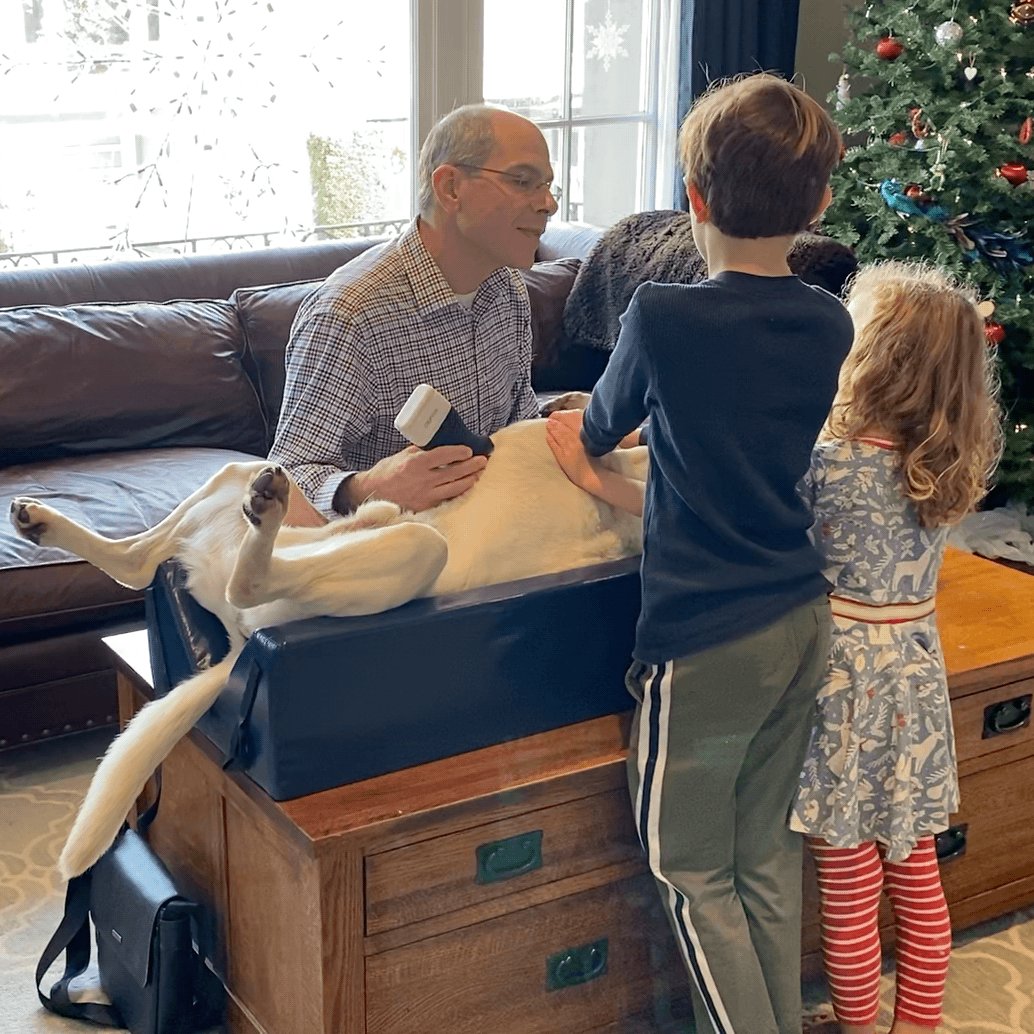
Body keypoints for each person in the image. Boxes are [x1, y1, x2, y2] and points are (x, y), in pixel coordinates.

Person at [546, 72, 852, 1034]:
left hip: (705, 637)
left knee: (685, 867)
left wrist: (583, 445)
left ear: (695, 198)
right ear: (820, 203)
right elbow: (741, 427)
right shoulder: (829, 320)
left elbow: (599, 427)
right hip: (802, 617)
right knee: (761, 857)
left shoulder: (662, 318)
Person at [790, 262, 1002, 1034]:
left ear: (871, 351)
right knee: (916, 873)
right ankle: (917, 1025)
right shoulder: (951, 460)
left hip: (845, 685)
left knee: (845, 883)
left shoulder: (834, 458)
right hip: (913, 676)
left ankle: (855, 1026)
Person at [270, 103, 559, 526]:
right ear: (450, 188)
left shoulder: (508, 287)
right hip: (385, 559)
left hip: (489, 537)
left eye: (549, 186)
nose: (548, 204)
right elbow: (286, 479)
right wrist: (367, 488)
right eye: (523, 181)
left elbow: (518, 418)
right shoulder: (349, 316)